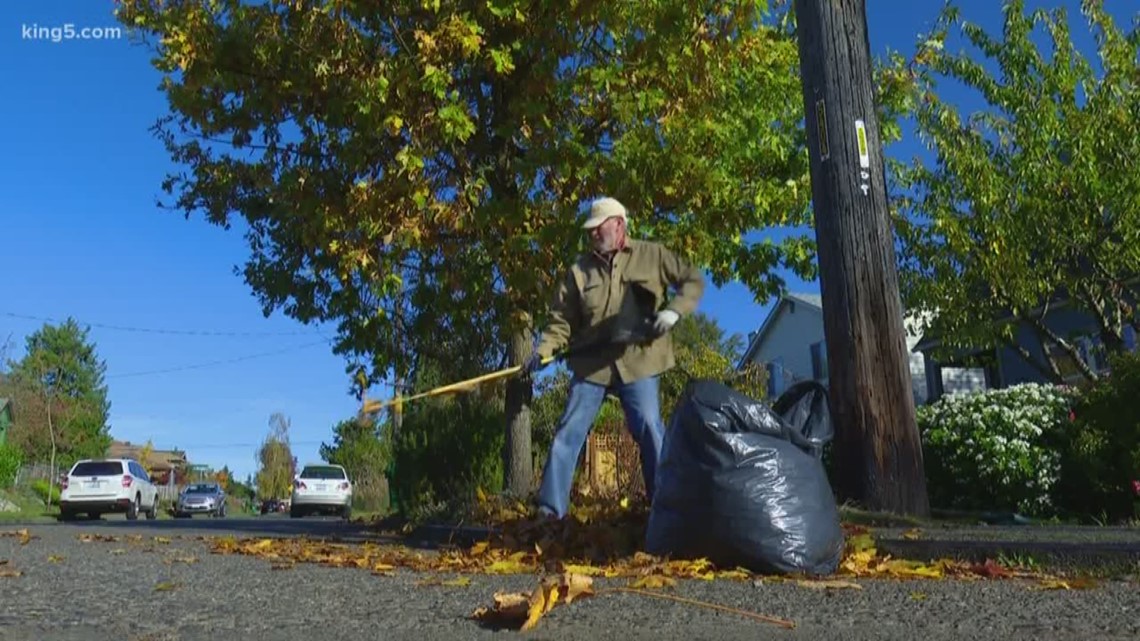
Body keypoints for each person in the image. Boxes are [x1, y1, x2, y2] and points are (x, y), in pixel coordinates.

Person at [523, 196, 705, 518]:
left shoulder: (652, 255)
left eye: (598, 227)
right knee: (568, 432)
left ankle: (665, 512)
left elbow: (693, 280)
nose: (592, 233)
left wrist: (674, 313)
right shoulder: (578, 271)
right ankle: (549, 516)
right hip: (592, 364)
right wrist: (543, 350)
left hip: (640, 360)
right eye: (589, 229)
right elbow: (560, 320)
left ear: (619, 224)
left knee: (649, 425)